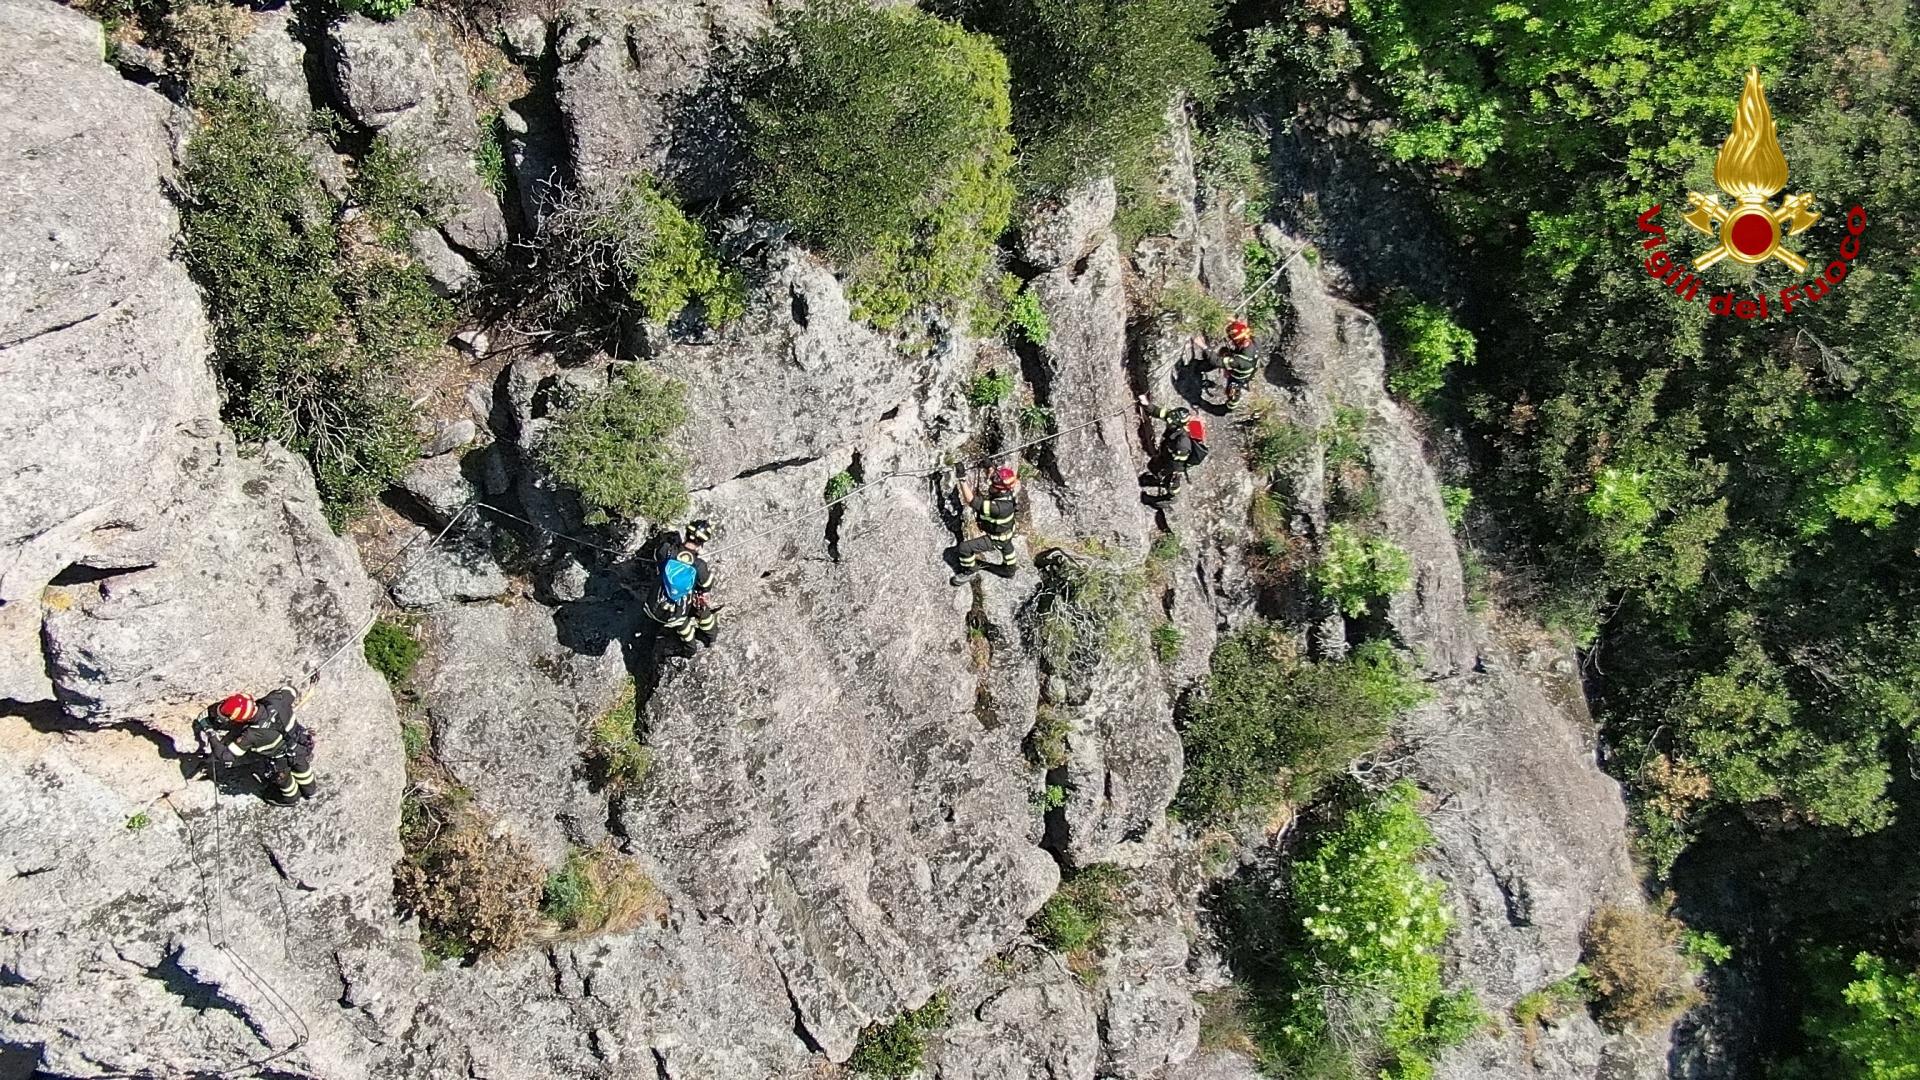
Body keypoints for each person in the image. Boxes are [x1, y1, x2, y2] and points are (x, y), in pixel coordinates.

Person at [196, 686, 316, 805]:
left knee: (284, 780)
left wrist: (209, 731)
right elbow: (291, 690)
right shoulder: (277, 700)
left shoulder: (251, 735)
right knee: (303, 769)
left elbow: (225, 756)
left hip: (280, 760)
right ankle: (310, 791)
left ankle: (292, 798)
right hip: (301, 745)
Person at [642, 520, 719, 656]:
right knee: (700, 610)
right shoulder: (699, 565)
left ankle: (689, 641)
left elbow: (657, 556)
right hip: (676, 616)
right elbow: (706, 585)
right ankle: (707, 639)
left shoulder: (667, 550)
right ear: (702, 543)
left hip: (652, 607)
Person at [950, 466, 1021, 585]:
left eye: (994, 486)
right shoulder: (1009, 491)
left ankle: (970, 570)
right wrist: (988, 465)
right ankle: (1009, 569)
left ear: (1000, 490)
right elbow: (994, 475)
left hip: (996, 538)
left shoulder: (997, 507)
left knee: (964, 548)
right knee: (1007, 548)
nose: (990, 487)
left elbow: (971, 500)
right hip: (1007, 531)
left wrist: (962, 479)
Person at [1138, 395, 1208, 501]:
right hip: (1169, 451)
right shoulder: (1176, 418)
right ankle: (1157, 480)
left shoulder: (1183, 443)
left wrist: (1165, 472)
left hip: (1177, 461)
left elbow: (1176, 465)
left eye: (1171, 423)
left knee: (1171, 480)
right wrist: (1147, 404)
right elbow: (1161, 413)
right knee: (1154, 466)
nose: (1169, 423)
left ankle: (1167, 499)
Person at [1192, 319, 1258, 410]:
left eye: (1232, 338)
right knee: (1224, 351)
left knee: (1232, 392)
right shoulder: (1253, 341)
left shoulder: (1240, 361)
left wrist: (1204, 346)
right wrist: (1236, 323)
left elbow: (1217, 362)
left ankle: (1226, 409)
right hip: (1249, 369)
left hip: (1238, 378)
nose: (1231, 340)